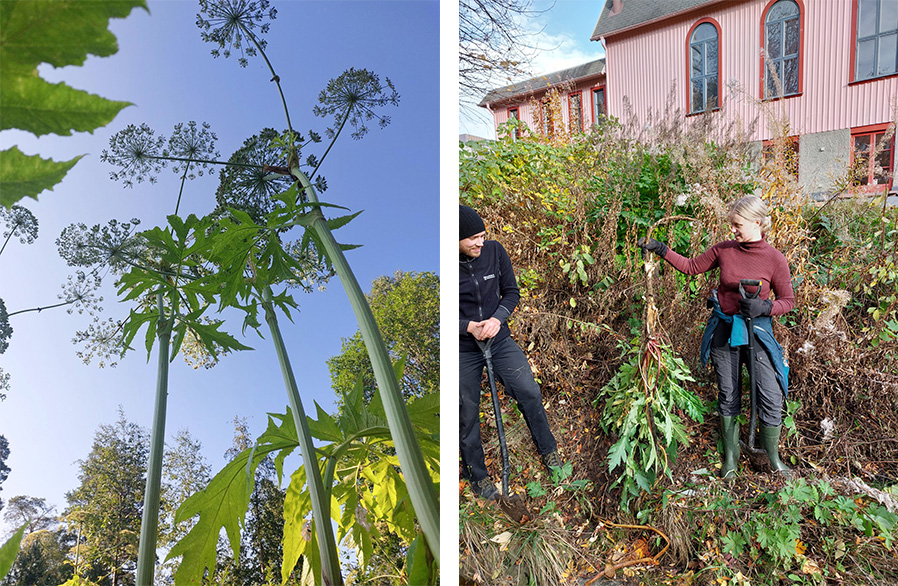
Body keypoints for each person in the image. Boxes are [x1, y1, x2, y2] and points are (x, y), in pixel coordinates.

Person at [639, 195, 793, 478]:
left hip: (758, 332)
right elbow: (690, 267)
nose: (732, 231)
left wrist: (766, 307)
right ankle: (731, 460)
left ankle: (774, 458)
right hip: (725, 331)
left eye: (738, 225)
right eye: (732, 225)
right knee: (728, 394)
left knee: (771, 396)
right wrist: (661, 249)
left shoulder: (774, 259)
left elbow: (789, 300)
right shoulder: (725, 250)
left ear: (757, 222)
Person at [459, 204, 561, 499]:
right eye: (472, 239)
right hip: (464, 348)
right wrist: (468, 327)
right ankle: (478, 478)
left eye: (482, 235)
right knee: (466, 413)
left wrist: (496, 319)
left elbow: (512, 292)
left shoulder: (494, 252)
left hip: (499, 339)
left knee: (528, 390)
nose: (480, 242)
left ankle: (549, 450)